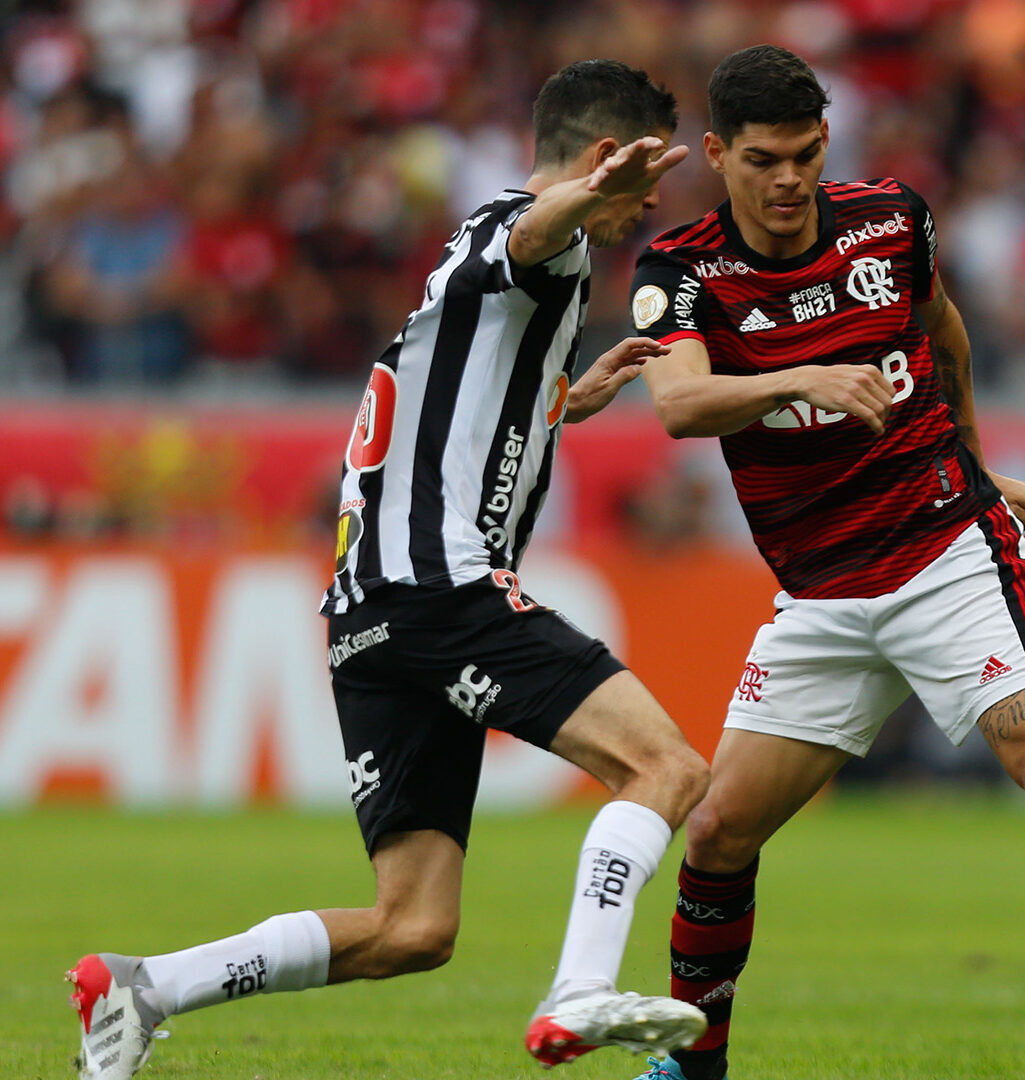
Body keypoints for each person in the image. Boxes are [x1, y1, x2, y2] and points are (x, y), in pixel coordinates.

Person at [624, 45, 1025, 1080]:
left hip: (944, 552)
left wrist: (975, 460)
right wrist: (814, 378)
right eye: (760, 160)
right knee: (717, 832)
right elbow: (677, 403)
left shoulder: (892, 220)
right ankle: (695, 1067)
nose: (786, 180)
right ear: (717, 155)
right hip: (823, 596)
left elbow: (945, 333)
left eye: (801, 154)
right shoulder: (683, 270)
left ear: (826, 141)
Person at [66, 59, 712, 1080]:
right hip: (437, 590)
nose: (644, 210)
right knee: (666, 766)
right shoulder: (529, 230)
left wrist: (559, 397)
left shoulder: (489, 270)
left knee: (412, 925)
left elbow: (455, 390)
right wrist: (579, 203)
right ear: (602, 160)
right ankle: (580, 986)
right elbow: (537, 231)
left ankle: (146, 986)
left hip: (369, 619)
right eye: (639, 185)